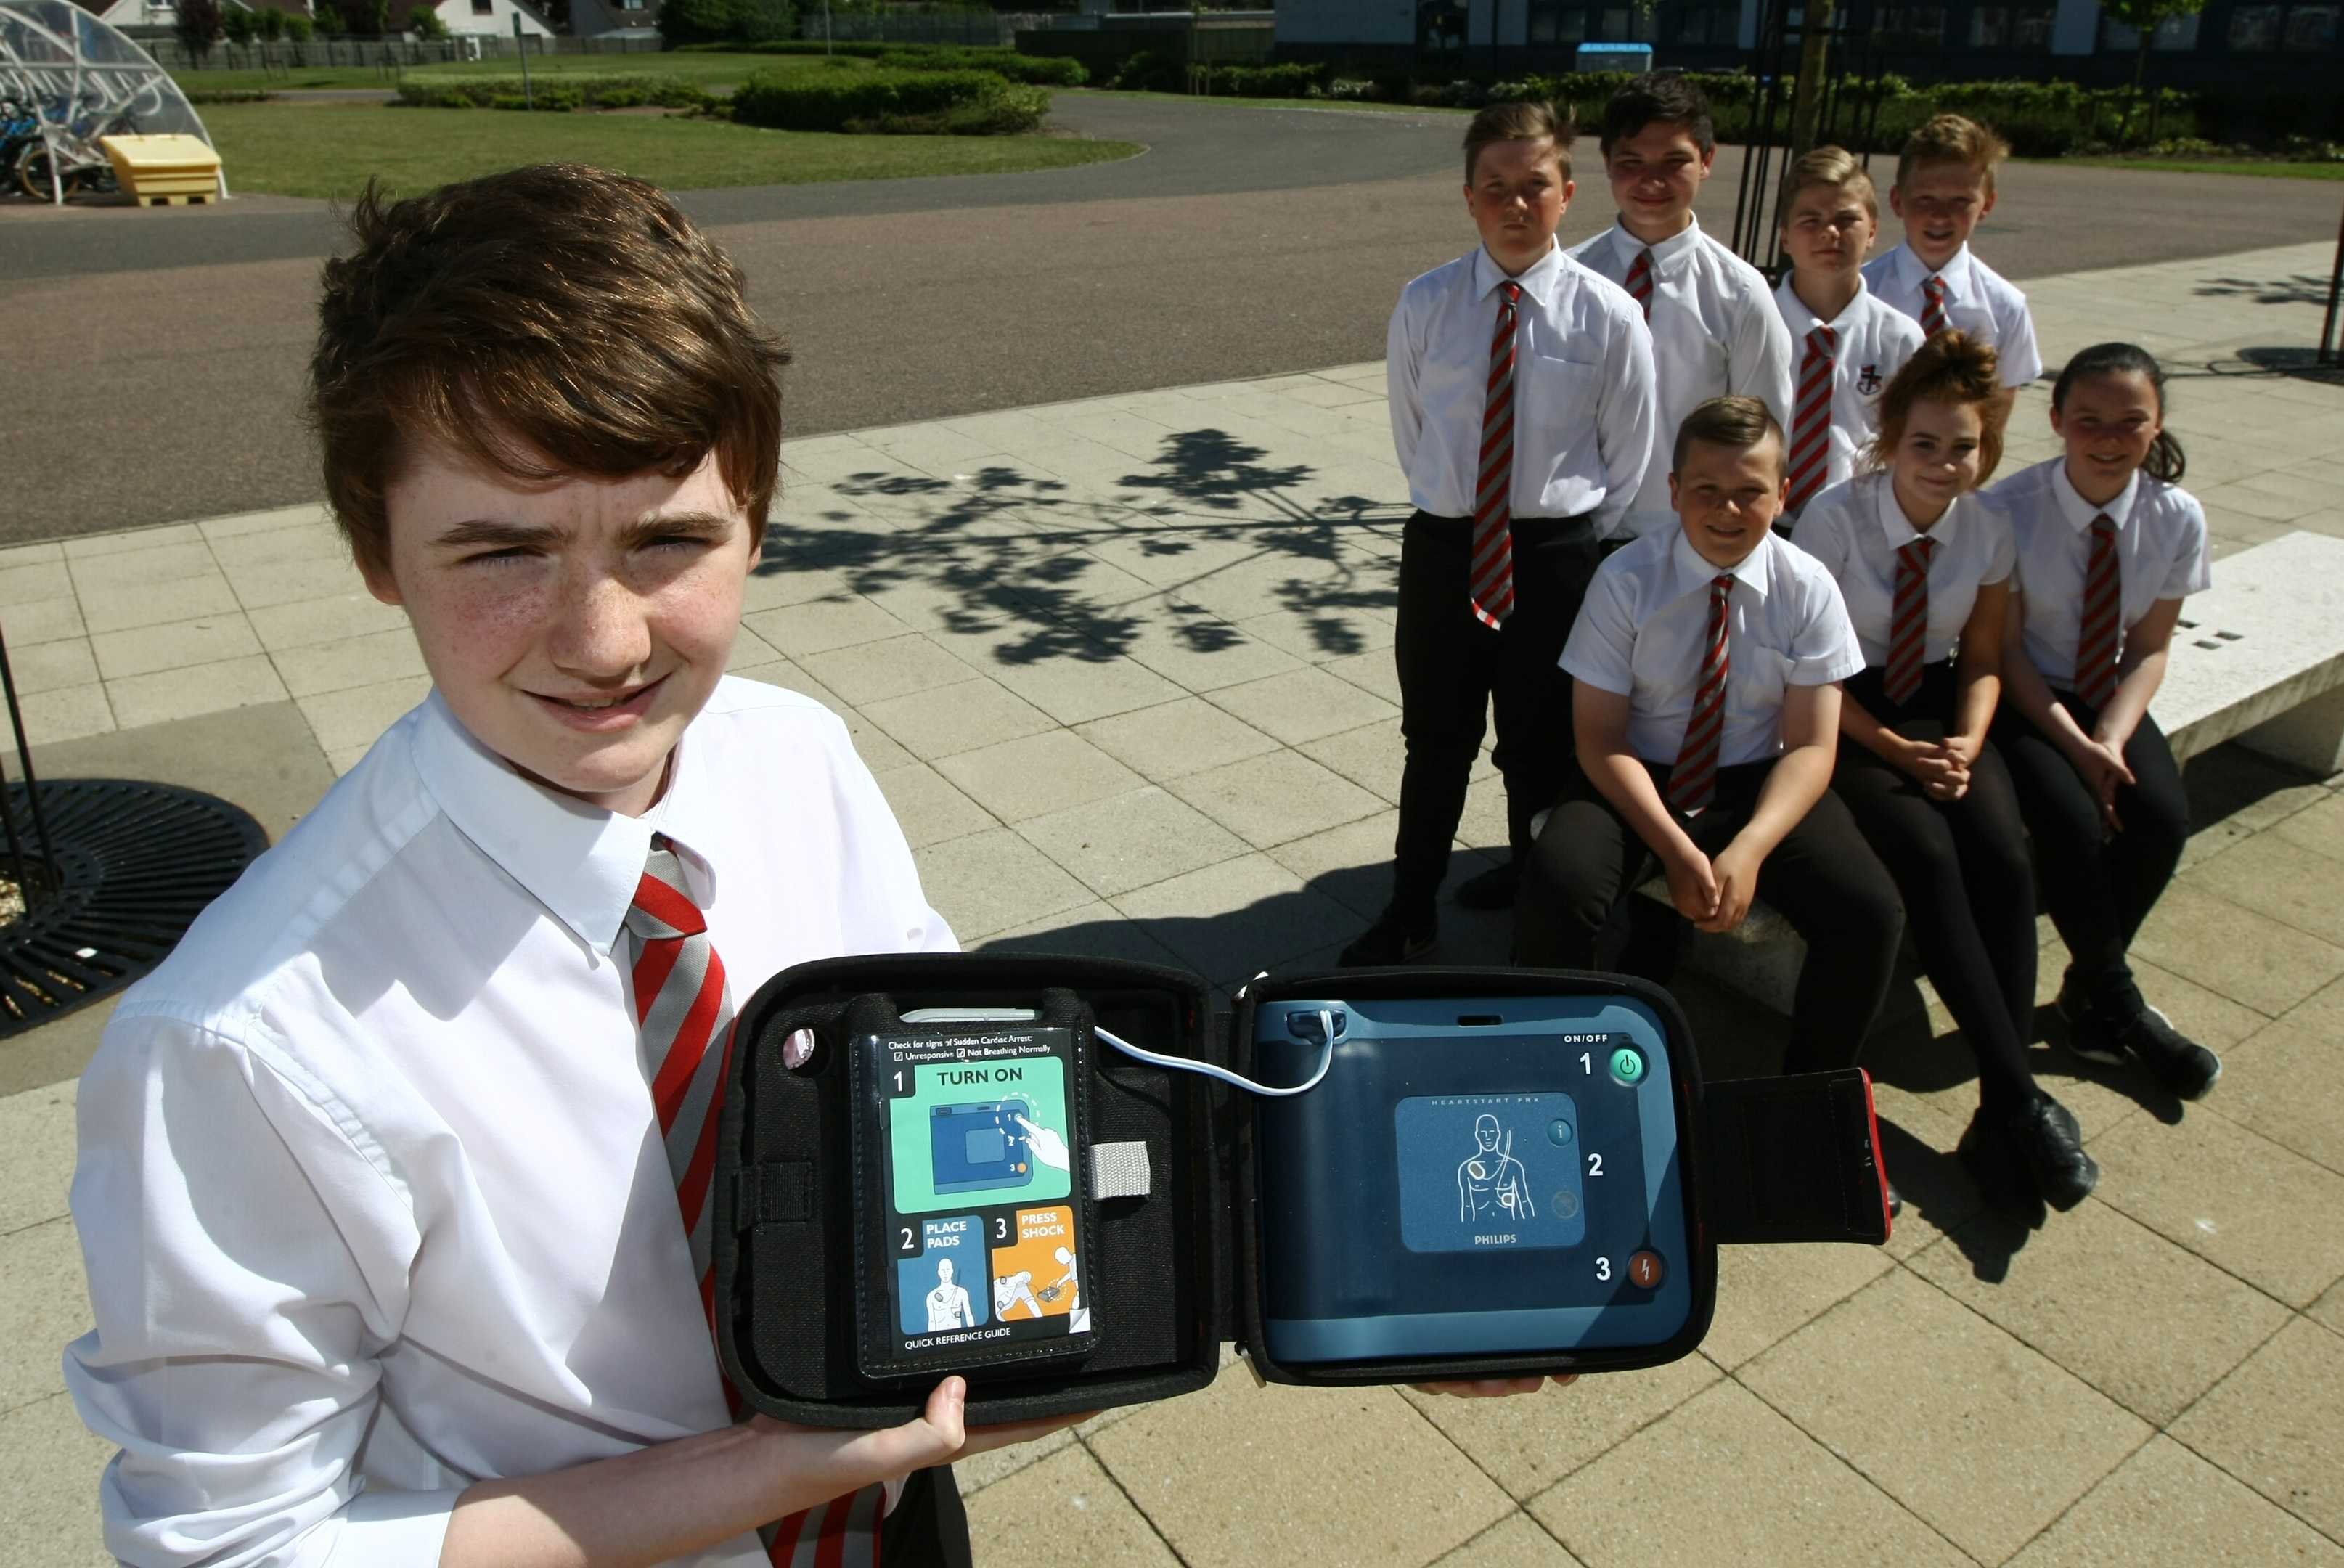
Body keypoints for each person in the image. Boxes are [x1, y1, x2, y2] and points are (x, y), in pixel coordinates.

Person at [64, 166, 1072, 1568]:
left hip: (903, 1519)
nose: (602, 645)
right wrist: (767, 1470)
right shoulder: (241, 1043)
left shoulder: (796, 758)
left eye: (668, 540)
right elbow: (237, 1545)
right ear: (375, 551)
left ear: (759, 517)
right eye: (501, 552)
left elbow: (939, 1073)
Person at [1344, 99, 1658, 963]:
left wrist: (1564, 535)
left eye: (1534, 187)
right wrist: (1465, 515)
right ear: (1469, 197)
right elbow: (1416, 432)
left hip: (1554, 559)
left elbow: (1628, 455)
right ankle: (1410, 909)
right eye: (1496, 189)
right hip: (1448, 551)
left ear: (1567, 192)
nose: (1515, 205)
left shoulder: (1606, 315)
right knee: (1434, 740)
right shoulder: (1428, 303)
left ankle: (1537, 902)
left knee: (1538, 747)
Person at [1795, 332, 2098, 1217]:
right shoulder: (1833, 518)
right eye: (1923, 444)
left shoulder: (1987, 527)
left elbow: (1984, 657)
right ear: (1890, 439)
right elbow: (1804, 672)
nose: (1942, 463)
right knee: (1926, 854)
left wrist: (1967, 741)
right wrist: (1893, 753)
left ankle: (1998, 1118)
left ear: (1986, 449)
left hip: (1938, 710)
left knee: (2002, 852)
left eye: (1961, 447)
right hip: (1843, 713)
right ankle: (2018, 1099)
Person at [1514, 396, 1904, 1079]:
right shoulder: (1625, 579)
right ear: (1673, 491)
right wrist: (1674, 847)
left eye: (1750, 493)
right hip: (1639, 773)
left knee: (1870, 913)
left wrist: (1748, 848)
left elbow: (1813, 746)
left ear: (1783, 493)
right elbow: (1599, 737)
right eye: (1706, 490)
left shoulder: (1807, 586)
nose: (1727, 511)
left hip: (1759, 775)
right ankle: (1558, 1076)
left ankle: (1811, 1097)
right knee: (1558, 881)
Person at [1992, 343, 2221, 1099]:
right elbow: (2006, 651)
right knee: (2068, 815)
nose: (2108, 437)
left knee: (2158, 816)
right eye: (2087, 419)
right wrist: (2073, 743)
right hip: (2026, 697)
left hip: (2108, 699)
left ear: (2155, 426)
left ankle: (2087, 992)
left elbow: (2150, 648)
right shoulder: (2009, 510)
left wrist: (2112, 738)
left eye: (2130, 421)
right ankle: (2120, 1007)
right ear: (2056, 420)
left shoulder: (2175, 516)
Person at [1565, 72, 1794, 544]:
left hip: (1681, 538)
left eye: (1674, 161)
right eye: (1631, 161)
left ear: (1706, 160)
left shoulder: (1740, 294)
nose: (1651, 180)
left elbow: (1758, 436)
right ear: (1606, 161)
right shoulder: (1564, 280)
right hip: (1572, 532)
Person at [1771, 145, 1924, 527]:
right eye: (1810, 220)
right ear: (1785, 237)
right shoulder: (1754, 324)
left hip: (1859, 524)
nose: (1829, 232)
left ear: (1872, 232)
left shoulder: (1900, 338)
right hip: (1763, 523)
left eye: (1847, 219)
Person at [1862, 114, 2043, 409]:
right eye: (1925, 198)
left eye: (1961, 201)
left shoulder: (2004, 306)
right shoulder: (1864, 289)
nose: (1940, 215)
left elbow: (1999, 409)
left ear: (1987, 205)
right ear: (1897, 201)